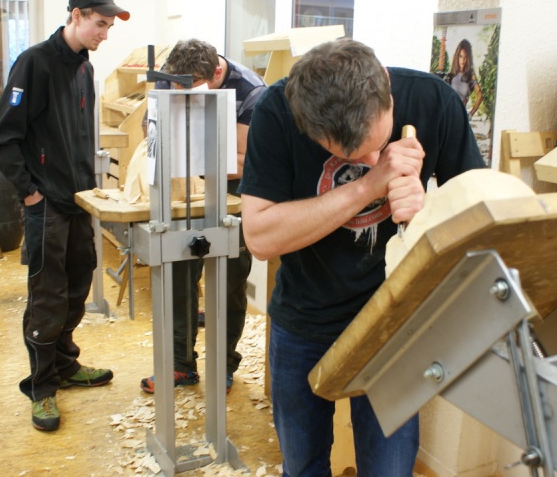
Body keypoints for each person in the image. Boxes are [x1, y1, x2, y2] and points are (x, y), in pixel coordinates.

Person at [238, 38, 485, 476]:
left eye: (378, 143)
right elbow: (259, 236)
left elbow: (480, 219)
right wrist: (370, 184)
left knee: (390, 468)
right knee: (302, 465)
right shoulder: (277, 110)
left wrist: (428, 212)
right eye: (349, 157)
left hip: (395, 319)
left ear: (385, 85)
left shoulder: (434, 101)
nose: (371, 158)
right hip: (305, 317)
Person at [0, 0, 130, 432]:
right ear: (76, 15)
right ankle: (42, 386)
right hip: (47, 203)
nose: (104, 34)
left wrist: (92, 192)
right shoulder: (34, 63)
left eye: (108, 27)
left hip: (79, 201)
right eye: (100, 24)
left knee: (76, 287)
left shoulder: (85, 67)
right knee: (47, 296)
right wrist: (31, 193)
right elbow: (2, 140)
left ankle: (65, 365)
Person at [139, 39, 267, 395]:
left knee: (229, 279)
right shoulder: (171, 77)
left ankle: (223, 364)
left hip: (234, 194)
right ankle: (180, 364)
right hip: (186, 189)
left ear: (216, 73)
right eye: (176, 88)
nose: (181, 94)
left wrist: (185, 154)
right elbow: (150, 130)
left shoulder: (252, 92)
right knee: (179, 272)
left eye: (192, 88)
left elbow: (244, 161)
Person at [448, 38, 483, 117]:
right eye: (460, 56)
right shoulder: (451, 75)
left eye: (465, 57)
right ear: (457, 56)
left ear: (468, 58)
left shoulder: (470, 74)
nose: (463, 60)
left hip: (460, 116)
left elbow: (480, 96)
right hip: (448, 115)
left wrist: (470, 114)